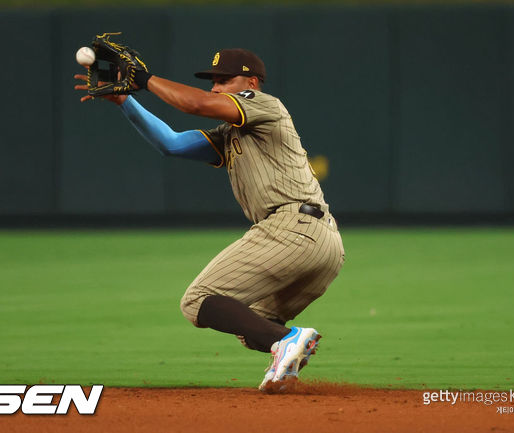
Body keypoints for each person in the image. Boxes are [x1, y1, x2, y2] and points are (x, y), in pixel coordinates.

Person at [74, 48, 345, 391]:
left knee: (197, 299)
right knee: (253, 326)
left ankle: (288, 339)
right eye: (213, 82)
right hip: (324, 244)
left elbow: (197, 104)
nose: (216, 88)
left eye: (224, 80)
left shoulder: (263, 103)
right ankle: (286, 347)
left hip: (292, 229)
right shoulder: (231, 133)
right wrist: (125, 102)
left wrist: (143, 79)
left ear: (251, 82)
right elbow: (170, 143)